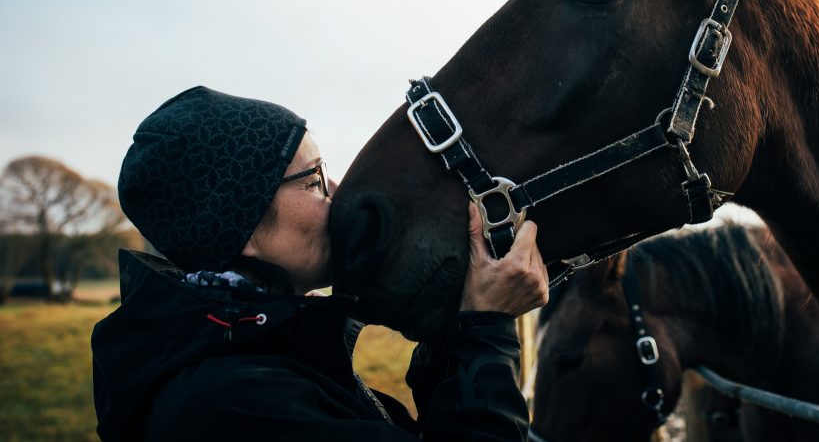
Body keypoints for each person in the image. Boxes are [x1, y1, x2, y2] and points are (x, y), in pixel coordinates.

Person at [91, 86, 548, 441]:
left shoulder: (260, 353)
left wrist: (454, 324)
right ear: (241, 228)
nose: (339, 191)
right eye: (312, 181)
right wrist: (487, 330)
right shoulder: (232, 405)